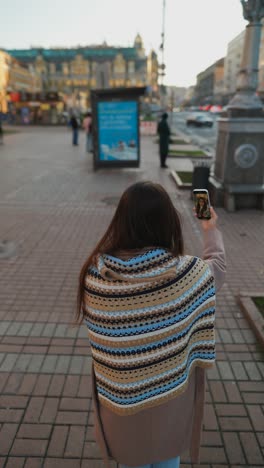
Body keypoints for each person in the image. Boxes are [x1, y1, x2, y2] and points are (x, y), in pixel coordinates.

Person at [76, 181, 226, 468]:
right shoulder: (186, 276)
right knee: (168, 460)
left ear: (119, 221)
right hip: (170, 398)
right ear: (168, 222)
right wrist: (210, 228)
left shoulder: (95, 275)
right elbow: (216, 268)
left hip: (121, 404)